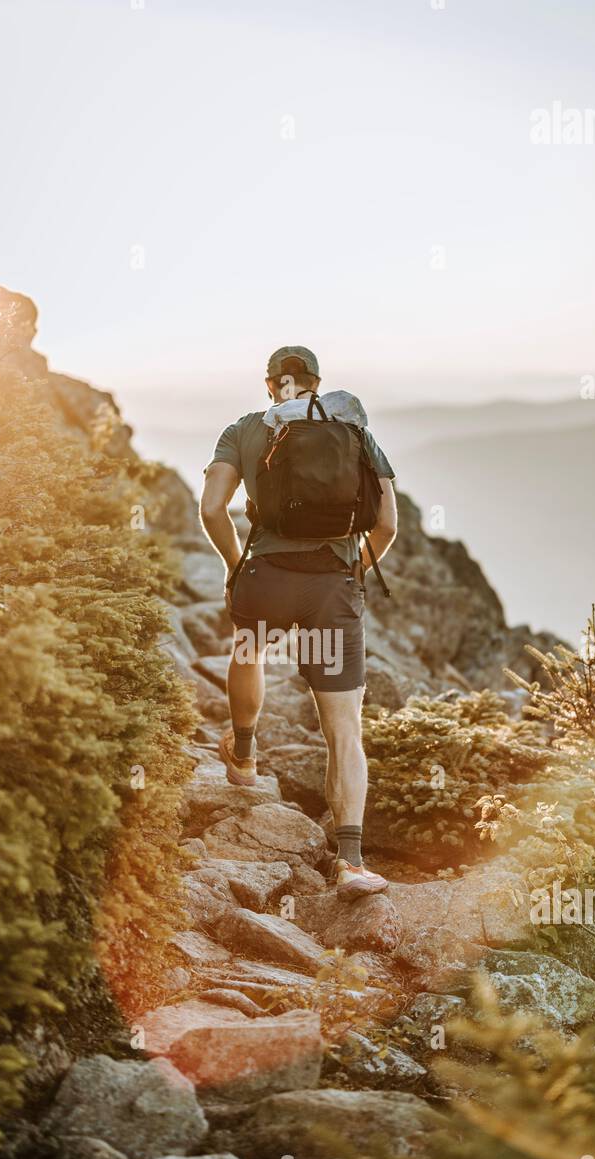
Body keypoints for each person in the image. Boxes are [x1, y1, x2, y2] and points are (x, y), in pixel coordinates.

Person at [199, 345, 398, 899]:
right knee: (343, 729)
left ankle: (243, 755)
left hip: (265, 577)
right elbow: (386, 525)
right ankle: (351, 863)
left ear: (270, 385)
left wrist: (237, 565)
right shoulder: (352, 429)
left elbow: (213, 508)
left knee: (249, 650)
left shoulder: (244, 430)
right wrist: (348, 570)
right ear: (317, 382)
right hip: (330, 591)